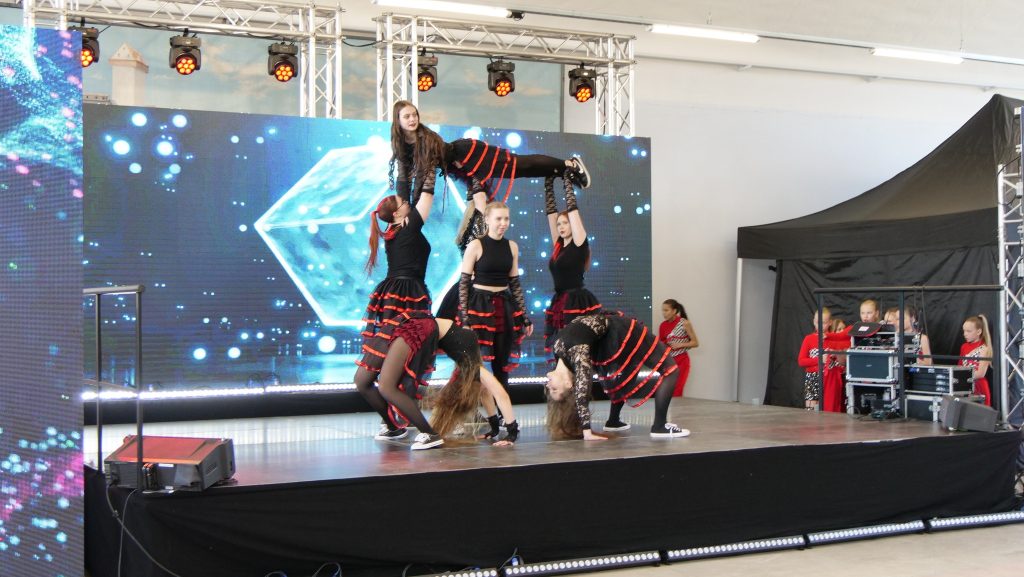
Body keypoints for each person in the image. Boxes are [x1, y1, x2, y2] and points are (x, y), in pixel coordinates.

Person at [354, 311, 520, 448]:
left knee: (385, 387)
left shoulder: (471, 369)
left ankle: (429, 434)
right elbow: (498, 394)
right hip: (418, 323)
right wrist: (509, 432)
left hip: (419, 323)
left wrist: (497, 431)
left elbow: (487, 393)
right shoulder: (472, 366)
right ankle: (394, 429)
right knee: (362, 381)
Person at [389, 100, 591, 208]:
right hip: (463, 167)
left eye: (414, 114)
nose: (412, 119)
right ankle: (563, 170)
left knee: (519, 165)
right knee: (519, 172)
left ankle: (569, 164)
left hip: (469, 156)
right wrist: (403, 205)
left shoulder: (426, 137)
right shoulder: (401, 145)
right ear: (398, 120)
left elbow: (424, 173)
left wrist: (409, 208)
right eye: (407, 116)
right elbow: (403, 178)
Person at [545, 312, 690, 440]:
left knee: (623, 372)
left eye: (550, 390)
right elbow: (581, 395)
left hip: (608, 334)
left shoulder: (558, 352)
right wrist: (587, 431)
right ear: (568, 384)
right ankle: (659, 426)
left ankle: (613, 420)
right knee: (670, 369)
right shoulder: (579, 357)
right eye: (554, 390)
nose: (548, 385)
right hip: (618, 331)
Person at [459, 201, 533, 392]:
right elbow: (464, 283)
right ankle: (471, 406)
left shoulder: (512, 246)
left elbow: (514, 283)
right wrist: (465, 319)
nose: (503, 223)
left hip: (503, 307)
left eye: (506, 218)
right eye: (498, 218)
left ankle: (502, 407)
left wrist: (524, 316)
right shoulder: (475, 245)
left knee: (502, 362)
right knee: (474, 363)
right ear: (487, 220)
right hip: (479, 308)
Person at [361, 190, 434, 341]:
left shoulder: (393, 228)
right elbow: (427, 195)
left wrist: (405, 174)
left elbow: (403, 190)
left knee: (397, 341)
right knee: (409, 342)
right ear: (396, 213)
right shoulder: (409, 227)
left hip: (395, 290)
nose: (407, 202)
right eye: (404, 202)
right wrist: (431, 175)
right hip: (406, 292)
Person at [543, 175, 602, 352]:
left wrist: (567, 181)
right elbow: (551, 213)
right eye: (559, 224)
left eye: (565, 223)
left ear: (573, 225)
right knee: (559, 347)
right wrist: (548, 183)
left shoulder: (579, 242)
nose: (561, 227)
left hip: (576, 301)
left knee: (575, 347)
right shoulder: (559, 246)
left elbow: (573, 211)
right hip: (559, 301)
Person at [797, 307, 846, 411]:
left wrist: (836, 355)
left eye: (823, 323)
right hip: (813, 378)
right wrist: (819, 360)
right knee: (811, 411)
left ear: (830, 322)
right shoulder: (809, 339)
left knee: (830, 412)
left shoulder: (834, 339)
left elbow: (842, 365)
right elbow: (801, 361)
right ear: (813, 321)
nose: (819, 325)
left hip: (831, 380)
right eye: (817, 322)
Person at [658, 299, 699, 399]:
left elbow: (695, 343)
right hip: (668, 362)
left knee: (677, 390)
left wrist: (680, 345)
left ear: (674, 311)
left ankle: (677, 409)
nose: (663, 313)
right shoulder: (662, 325)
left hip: (682, 361)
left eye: (666, 310)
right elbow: (661, 344)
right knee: (666, 390)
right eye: (663, 310)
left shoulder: (684, 323)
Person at [960, 314, 993, 407]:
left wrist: (962, 377)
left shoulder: (984, 348)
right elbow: (959, 366)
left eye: (968, 331)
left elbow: (980, 373)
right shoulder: (964, 346)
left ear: (979, 331)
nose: (965, 334)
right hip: (965, 387)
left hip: (979, 387)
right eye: (964, 331)